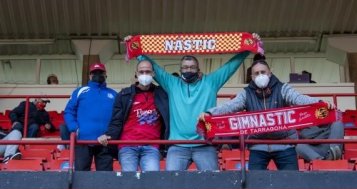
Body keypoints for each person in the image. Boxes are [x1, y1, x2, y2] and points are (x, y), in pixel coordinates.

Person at [135, 39, 254, 171]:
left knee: (213, 183)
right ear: (180, 70)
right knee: (171, 184)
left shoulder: (210, 82)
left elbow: (230, 66)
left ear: (198, 69)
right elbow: (153, 67)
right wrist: (135, 49)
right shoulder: (172, 84)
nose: (189, 70)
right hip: (177, 146)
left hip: (205, 145)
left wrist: (248, 48)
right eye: (185, 67)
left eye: (192, 67)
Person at [200, 59, 334, 170]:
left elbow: (299, 99)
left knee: (292, 184)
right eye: (256, 73)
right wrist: (210, 113)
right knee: (255, 185)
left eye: (263, 72)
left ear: (270, 73)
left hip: (285, 144)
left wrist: (320, 102)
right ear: (252, 77)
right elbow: (229, 106)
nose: (260, 75)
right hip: (258, 145)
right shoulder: (247, 93)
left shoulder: (283, 88)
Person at [97, 60, 169, 172]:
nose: (144, 74)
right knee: (129, 180)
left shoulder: (162, 94)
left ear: (153, 74)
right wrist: (108, 135)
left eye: (148, 71)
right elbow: (117, 120)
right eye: (141, 72)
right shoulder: (124, 94)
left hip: (152, 147)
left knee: (153, 180)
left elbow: (167, 119)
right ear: (136, 73)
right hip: (127, 146)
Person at [64, 63, 117, 171]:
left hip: (105, 142)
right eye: (94, 73)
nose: (97, 75)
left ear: (106, 75)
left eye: (100, 72)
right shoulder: (80, 91)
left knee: (105, 178)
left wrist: (111, 134)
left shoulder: (114, 94)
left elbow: (118, 117)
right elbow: (69, 112)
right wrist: (75, 129)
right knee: (81, 175)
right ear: (89, 75)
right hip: (83, 141)